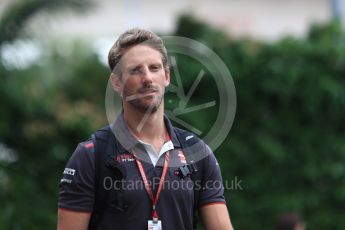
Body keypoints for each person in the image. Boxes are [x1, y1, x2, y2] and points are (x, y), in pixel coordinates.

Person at [57, 28, 234, 230]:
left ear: (167, 76)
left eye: (154, 68)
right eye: (136, 70)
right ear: (117, 82)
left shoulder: (197, 153)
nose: (148, 78)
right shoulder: (91, 155)